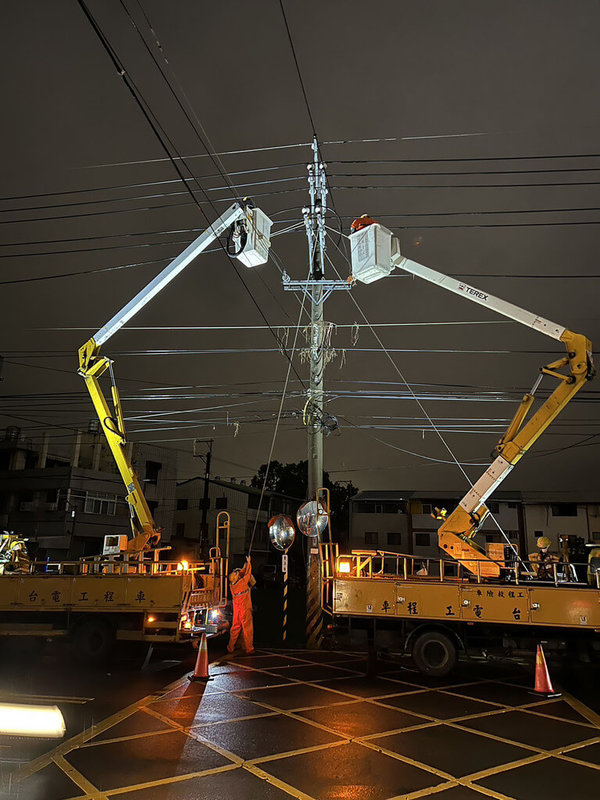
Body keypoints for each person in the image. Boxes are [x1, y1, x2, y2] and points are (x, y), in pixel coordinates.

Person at [227, 555, 256, 655]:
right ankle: (249, 648)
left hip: (237, 609)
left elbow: (243, 573)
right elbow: (247, 575)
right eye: (236, 573)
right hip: (245, 608)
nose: (238, 573)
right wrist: (249, 563)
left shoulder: (232, 586)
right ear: (236, 577)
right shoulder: (242, 583)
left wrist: (246, 565)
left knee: (235, 628)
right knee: (247, 628)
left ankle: (230, 647)